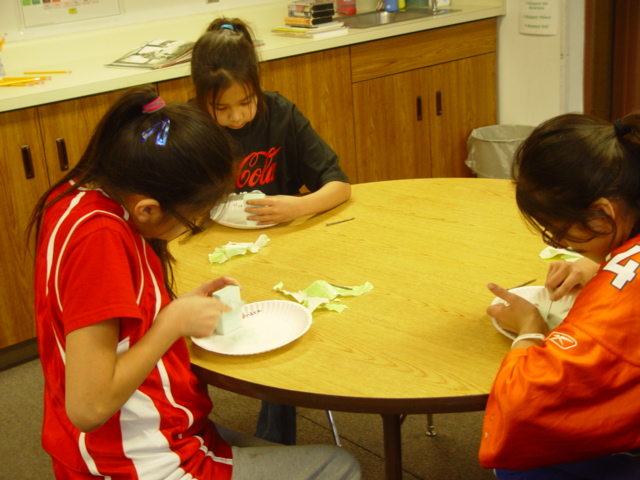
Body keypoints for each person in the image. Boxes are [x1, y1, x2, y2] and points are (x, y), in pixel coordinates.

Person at [29, 85, 361, 480]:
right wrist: (172, 321)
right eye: (191, 221)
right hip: (134, 460)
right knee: (338, 467)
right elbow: (88, 407)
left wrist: (172, 309)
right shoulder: (99, 242)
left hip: (128, 439)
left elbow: (106, 317)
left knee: (281, 453)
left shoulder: (78, 196)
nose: (191, 228)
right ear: (148, 209)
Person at [190, 17, 351, 444]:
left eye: (245, 102)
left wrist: (298, 205)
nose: (237, 117)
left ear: (257, 87)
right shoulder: (191, 129)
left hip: (281, 250)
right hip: (210, 256)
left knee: (280, 333)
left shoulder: (280, 114)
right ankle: (190, 432)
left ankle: (277, 441)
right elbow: (169, 209)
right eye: (220, 109)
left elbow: (339, 185)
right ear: (201, 101)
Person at [480, 112, 640, 479]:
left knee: (513, 466)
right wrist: (600, 262)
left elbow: (522, 404)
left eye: (556, 232)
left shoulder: (615, 303)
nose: (559, 245)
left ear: (602, 215)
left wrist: (529, 328)